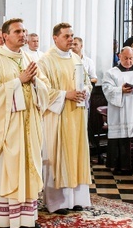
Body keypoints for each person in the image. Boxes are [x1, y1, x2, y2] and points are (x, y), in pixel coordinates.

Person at [0, 18, 49, 228]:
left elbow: (44, 88)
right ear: (5, 36)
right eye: (17, 31)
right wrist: (19, 80)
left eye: (24, 30)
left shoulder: (28, 57)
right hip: (7, 127)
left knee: (28, 167)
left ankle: (27, 217)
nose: (23, 35)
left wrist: (34, 82)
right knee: (8, 169)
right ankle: (3, 220)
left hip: (28, 125)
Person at [37, 23, 92, 214]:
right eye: (67, 36)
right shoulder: (45, 61)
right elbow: (41, 91)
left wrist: (85, 91)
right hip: (57, 117)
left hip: (76, 115)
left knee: (76, 155)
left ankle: (76, 198)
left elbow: (86, 82)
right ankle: (57, 202)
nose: (71, 39)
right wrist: (64, 95)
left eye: (72, 36)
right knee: (57, 155)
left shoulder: (76, 58)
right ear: (55, 38)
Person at [102, 47, 133, 174]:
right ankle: (119, 167)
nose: (128, 61)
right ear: (119, 56)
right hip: (119, 111)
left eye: (131, 58)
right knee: (120, 137)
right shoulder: (111, 73)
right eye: (126, 58)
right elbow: (107, 89)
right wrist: (120, 90)